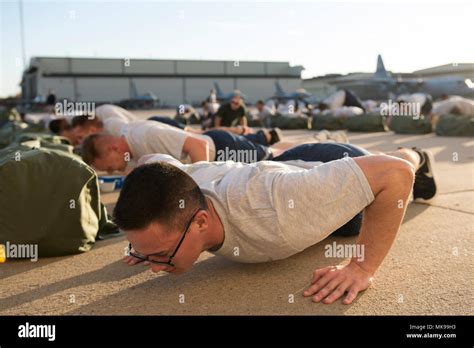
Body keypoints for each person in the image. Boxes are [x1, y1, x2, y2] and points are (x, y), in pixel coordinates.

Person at [115, 142, 437, 305]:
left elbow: (394, 175)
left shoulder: (278, 211)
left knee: (399, 164)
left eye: (161, 255)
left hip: (322, 167)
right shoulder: (182, 184)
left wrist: (361, 268)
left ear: (200, 222)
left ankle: (417, 152)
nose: (154, 267)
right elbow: (152, 162)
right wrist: (146, 245)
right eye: (149, 256)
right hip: (280, 166)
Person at [80, 120, 279, 173]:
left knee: (276, 158)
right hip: (215, 154)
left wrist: (200, 187)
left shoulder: (146, 135)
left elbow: (198, 145)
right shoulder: (127, 151)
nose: (112, 171)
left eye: (108, 167)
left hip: (222, 148)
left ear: (113, 149)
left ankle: (305, 146)